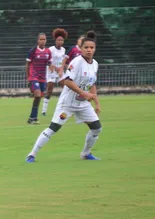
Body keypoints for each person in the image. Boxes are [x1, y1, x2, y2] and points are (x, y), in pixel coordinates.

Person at [26, 31, 102, 162]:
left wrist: (97, 102)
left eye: (92, 47)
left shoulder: (95, 64)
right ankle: (32, 154)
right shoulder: (76, 62)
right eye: (86, 47)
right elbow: (67, 81)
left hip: (83, 104)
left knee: (96, 128)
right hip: (67, 103)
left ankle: (85, 153)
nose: (89, 50)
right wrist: (83, 93)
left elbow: (92, 83)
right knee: (53, 128)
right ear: (81, 48)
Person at [26, 33, 53, 124]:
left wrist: (51, 66)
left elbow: (49, 62)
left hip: (43, 78)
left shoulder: (48, 51)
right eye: (41, 39)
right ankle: (33, 118)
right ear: (38, 40)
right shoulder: (33, 51)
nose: (42, 41)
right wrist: (28, 78)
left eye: (44, 39)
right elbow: (28, 64)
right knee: (37, 95)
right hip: (34, 76)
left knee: (39, 98)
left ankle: (32, 118)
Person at [41, 28, 68, 116]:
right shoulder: (51, 49)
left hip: (60, 71)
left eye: (62, 40)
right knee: (49, 90)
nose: (60, 42)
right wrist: (57, 69)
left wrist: (64, 67)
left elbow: (63, 61)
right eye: (58, 40)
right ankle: (44, 110)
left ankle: (64, 107)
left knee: (66, 88)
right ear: (55, 40)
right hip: (51, 71)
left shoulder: (63, 49)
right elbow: (48, 61)